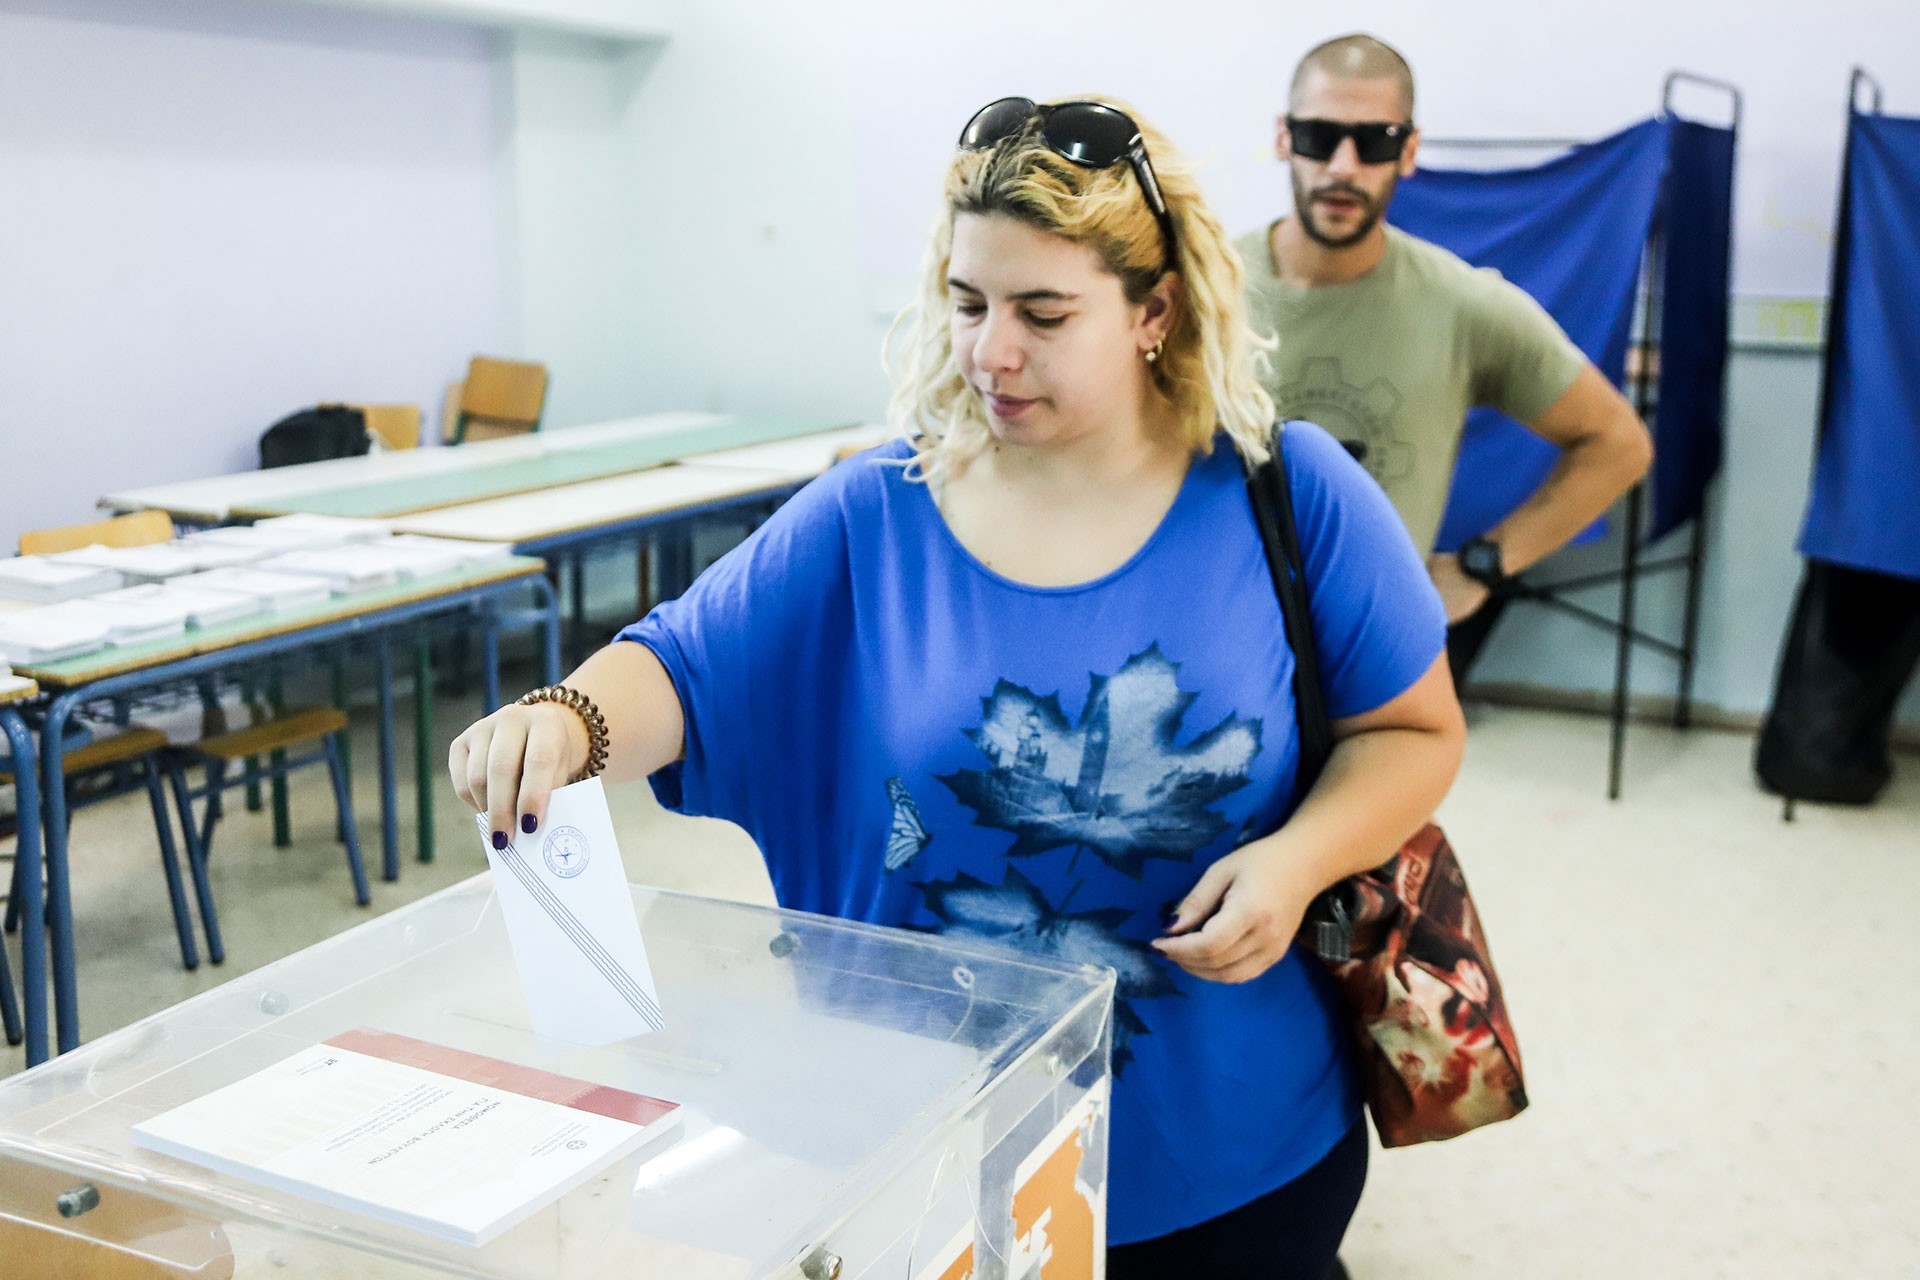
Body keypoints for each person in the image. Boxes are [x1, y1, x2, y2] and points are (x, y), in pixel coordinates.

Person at [450, 95, 1464, 1279]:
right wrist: (564, 718)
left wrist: (1293, 866)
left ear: (1155, 310)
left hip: (1234, 1147)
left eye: (1043, 312)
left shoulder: (1289, 491)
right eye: (968, 301)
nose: (990, 350)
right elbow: (677, 665)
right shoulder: (876, 508)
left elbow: (1413, 730)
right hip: (936, 1144)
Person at [1243, 33, 1653, 680]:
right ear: (1283, 138)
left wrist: (1483, 566)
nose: (1344, 166)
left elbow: (1618, 444)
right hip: (1224, 637)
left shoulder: (1462, 305)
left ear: (1408, 151)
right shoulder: (1202, 292)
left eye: (1374, 140)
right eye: (1320, 136)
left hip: (1373, 657)